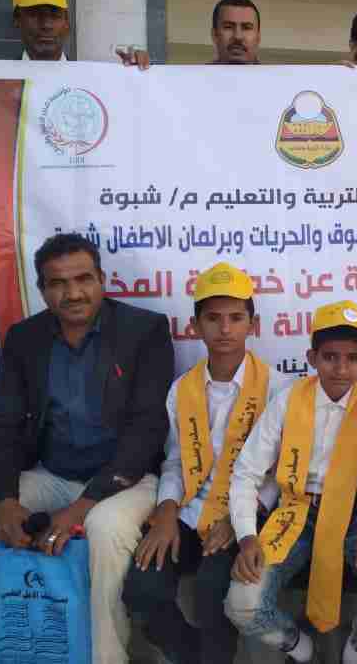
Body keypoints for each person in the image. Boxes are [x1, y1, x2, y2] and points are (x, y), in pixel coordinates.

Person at [0, 232, 174, 664]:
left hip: (125, 480)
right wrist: (6, 502)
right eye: (58, 283)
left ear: (102, 280)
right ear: (42, 290)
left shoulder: (144, 331)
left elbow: (146, 429)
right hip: (50, 473)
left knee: (106, 529)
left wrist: (80, 509)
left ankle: (107, 658)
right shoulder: (25, 338)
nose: (73, 293)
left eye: (83, 279)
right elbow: (3, 424)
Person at [0, 0, 147, 354]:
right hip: (19, 248)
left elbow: (138, 140)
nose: (45, 24)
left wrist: (142, 81)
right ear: (18, 20)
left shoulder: (100, 82)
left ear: (66, 22)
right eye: (35, 14)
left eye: (54, 14)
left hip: (86, 240)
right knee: (23, 351)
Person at [225, 300, 357, 663]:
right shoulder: (289, 400)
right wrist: (247, 536)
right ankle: (300, 648)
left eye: (352, 358)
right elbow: (246, 472)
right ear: (311, 357)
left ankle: (356, 649)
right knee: (242, 604)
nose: (341, 368)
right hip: (296, 512)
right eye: (329, 357)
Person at [121, 262, 286, 664]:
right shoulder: (182, 389)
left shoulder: (278, 388)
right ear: (195, 326)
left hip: (242, 516)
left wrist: (241, 520)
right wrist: (165, 513)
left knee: (213, 589)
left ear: (253, 325)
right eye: (213, 318)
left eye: (236, 318)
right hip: (190, 512)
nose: (225, 329)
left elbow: (280, 474)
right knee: (142, 588)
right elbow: (175, 461)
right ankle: (190, 654)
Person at [210, 0, 262, 65]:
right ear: (214, 35)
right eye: (228, 27)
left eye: (247, 28)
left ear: (258, 37)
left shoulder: (273, 72)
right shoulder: (197, 72)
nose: (238, 36)